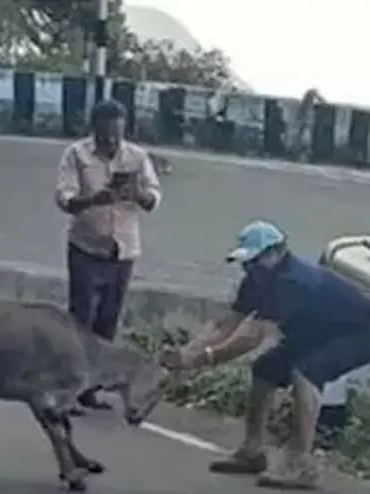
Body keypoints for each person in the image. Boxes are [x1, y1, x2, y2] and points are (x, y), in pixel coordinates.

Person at [162, 220, 370, 490]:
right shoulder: (257, 279)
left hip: (359, 333)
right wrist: (185, 353)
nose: (249, 268)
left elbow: (252, 337)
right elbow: (226, 324)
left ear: (278, 252)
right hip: (316, 331)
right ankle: (252, 451)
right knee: (265, 368)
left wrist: (204, 359)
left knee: (306, 374)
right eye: (246, 262)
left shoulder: (292, 280)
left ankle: (301, 465)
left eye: (255, 261)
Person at [55, 99, 163, 410]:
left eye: (117, 134)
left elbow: (154, 196)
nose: (112, 142)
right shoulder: (76, 154)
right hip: (86, 246)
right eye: (106, 136)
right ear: (95, 131)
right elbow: (64, 198)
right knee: (81, 319)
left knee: (108, 322)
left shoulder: (138, 157)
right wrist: (91, 199)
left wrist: (139, 195)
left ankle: (91, 388)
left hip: (123, 249)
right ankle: (68, 389)